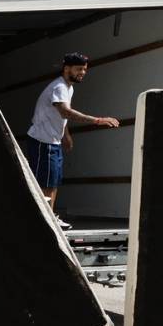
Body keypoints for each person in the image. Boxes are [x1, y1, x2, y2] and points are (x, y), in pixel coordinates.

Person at [26, 52, 119, 229]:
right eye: (78, 69)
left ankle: (50, 217)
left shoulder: (69, 87)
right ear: (66, 68)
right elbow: (66, 112)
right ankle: (43, 221)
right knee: (45, 183)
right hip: (41, 140)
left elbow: (61, 117)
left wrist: (66, 135)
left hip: (53, 140)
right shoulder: (59, 87)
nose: (82, 73)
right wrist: (97, 120)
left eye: (84, 70)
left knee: (53, 181)